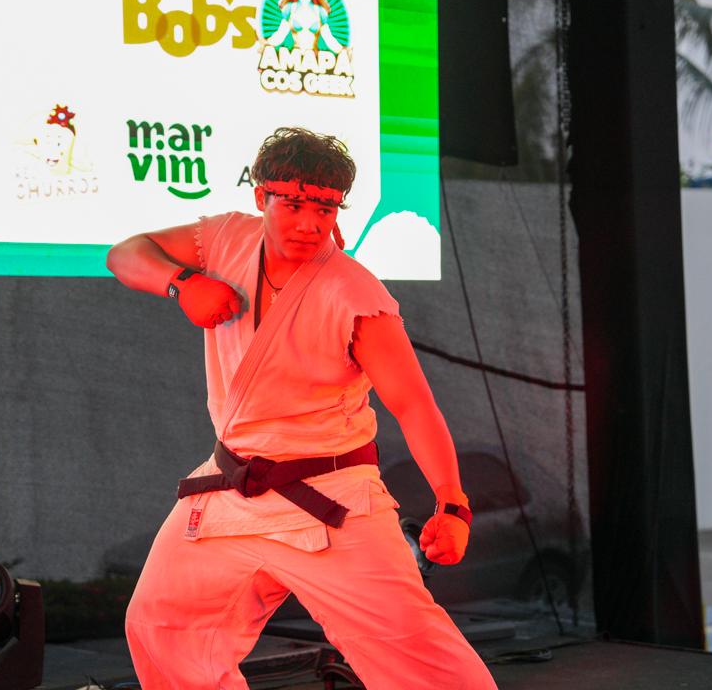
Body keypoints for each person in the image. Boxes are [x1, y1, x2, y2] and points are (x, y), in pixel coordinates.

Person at [106, 127, 497, 689]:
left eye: (325, 208)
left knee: (416, 655)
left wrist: (453, 504)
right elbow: (126, 253)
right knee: (161, 627)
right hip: (232, 488)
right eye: (293, 205)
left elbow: (413, 405)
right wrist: (181, 283)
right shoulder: (225, 239)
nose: (311, 223)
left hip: (329, 499)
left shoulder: (354, 294)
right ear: (261, 197)